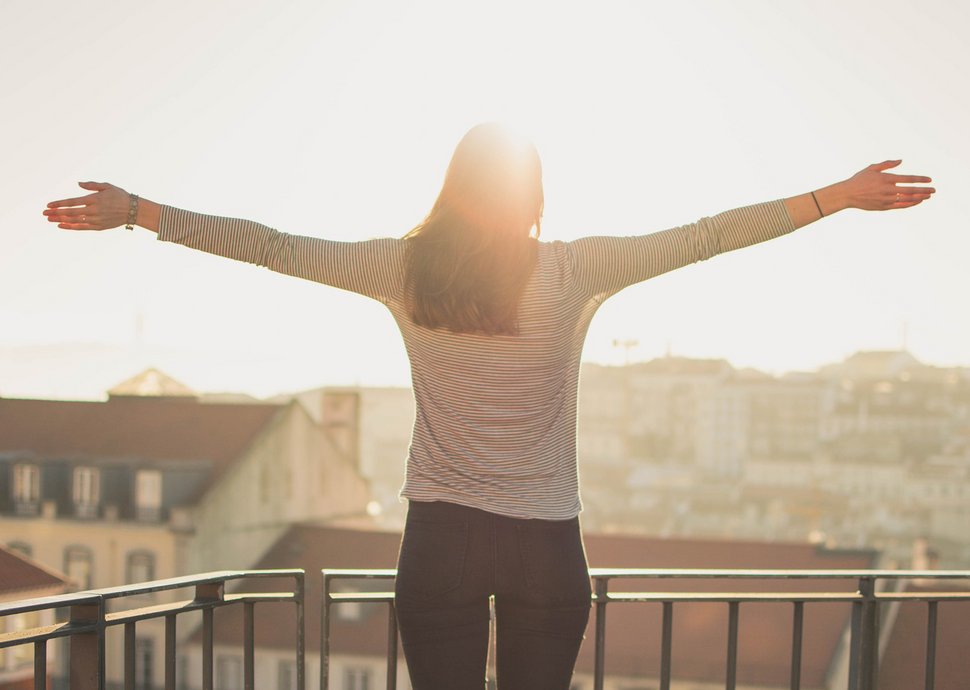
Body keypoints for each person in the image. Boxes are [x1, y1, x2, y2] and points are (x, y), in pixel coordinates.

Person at [44, 124, 934, 689]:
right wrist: (835, 199)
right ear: (534, 196)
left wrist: (141, 212)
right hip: (548, 542)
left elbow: (276, 248)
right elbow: (703, 238)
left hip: (441, 540)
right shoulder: (574, 269)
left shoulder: (402, 268)